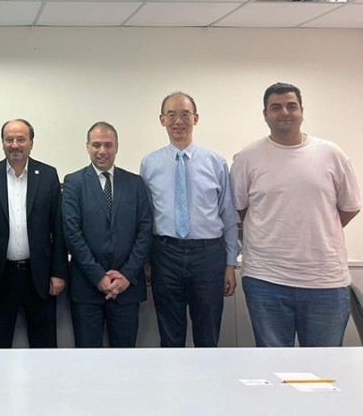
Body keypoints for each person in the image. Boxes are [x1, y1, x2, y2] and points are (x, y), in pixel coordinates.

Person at [231, 82, 360, 347]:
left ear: (302, 111)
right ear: (265, 114)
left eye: (291, 106)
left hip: (325, 281)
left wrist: (316, 227)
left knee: (324, 366)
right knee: (273, 363)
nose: (284, 112)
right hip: (265, 280)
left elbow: (349, 207)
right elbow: (239, 210)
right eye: (276, 107)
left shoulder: (332, 154)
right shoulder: (247, 158)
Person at [140, 92, 238, 348]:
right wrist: (147, 261)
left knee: (208, 334)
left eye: (185, 114)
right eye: (171, 114)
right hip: (165, 254)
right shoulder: (149, 164)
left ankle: (207, 376)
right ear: (162, 120)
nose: (178, 121)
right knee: (170, 336)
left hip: (208, 256)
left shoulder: (216, 162)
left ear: (196, 118)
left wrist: (230, 264)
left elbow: (228, 214)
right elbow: (146, 217)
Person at [0, 119, 67, 348]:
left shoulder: (48, 175)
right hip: (0, 276)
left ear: (31, 143)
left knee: (44, 346)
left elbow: (58, 228)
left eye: (21, 139)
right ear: (2, 143)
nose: (15, 145)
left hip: (39, 275)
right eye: (9, 139)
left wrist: (58, 273)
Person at [62, 122, 152, 348]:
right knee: (87, 359)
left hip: (126, 288)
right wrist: (98, 277)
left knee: (125, 359)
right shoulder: (73, 182)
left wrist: (126, 275)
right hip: (87, 288)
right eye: (96, 145)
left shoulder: (135, 183)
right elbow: (72, 234)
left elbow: (145, 230)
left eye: (108, 145)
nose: (102, 151)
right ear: (87, 147)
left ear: (117, 147)